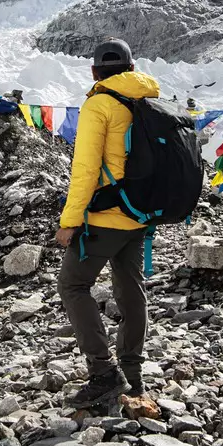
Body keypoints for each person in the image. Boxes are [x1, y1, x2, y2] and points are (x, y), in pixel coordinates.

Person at [53, 37, 159, 408]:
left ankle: (103, 372)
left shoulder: (99, 104)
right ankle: (133, 374)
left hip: (106, 216)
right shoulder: (148, 98)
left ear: (95, 71)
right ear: (131, 69)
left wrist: (69, 221)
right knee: (131, 288)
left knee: (73, 284)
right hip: (141, 213)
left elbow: (84, 170)